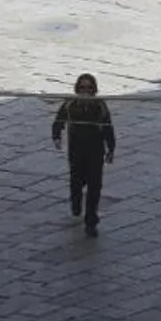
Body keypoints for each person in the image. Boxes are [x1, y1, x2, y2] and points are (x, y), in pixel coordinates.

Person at [51, 74, 115, 234]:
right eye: (82, 88)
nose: (85, 91)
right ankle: (76, 203)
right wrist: (57, 137)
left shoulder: (100, 106)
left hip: (95, 151)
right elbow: (58, 122)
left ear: (94, 90)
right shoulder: (70, 105)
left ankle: (91, 221)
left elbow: (108, 127)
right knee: (76, 182)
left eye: (89, 88)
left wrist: (111, 149)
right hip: (76, 151)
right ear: (77, 89)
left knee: (95, 186)